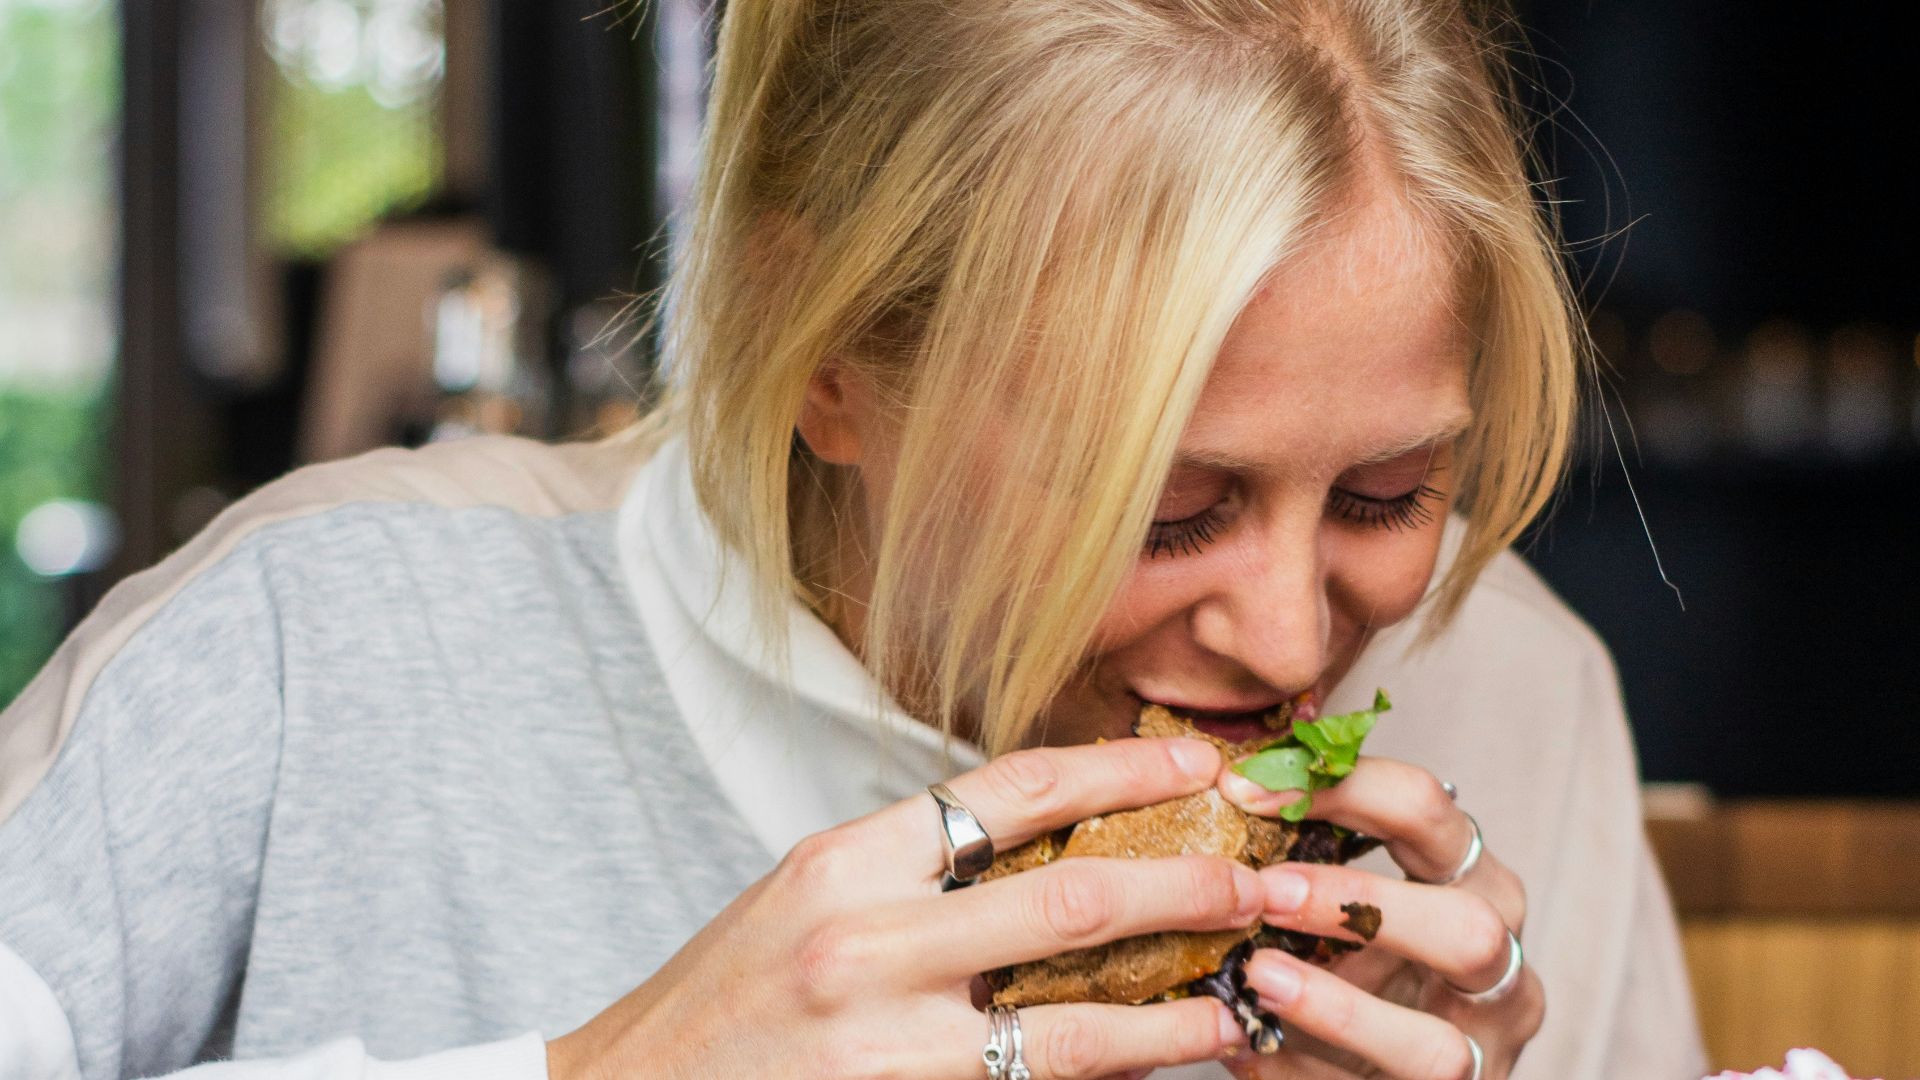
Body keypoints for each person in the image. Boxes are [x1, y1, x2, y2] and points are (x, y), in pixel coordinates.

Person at [0, 1, 1708, 1077]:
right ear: (816, 349)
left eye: (1389, 496)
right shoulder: (323, 647)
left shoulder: (1518, 693)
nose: (1286, 637)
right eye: (1161, 507)